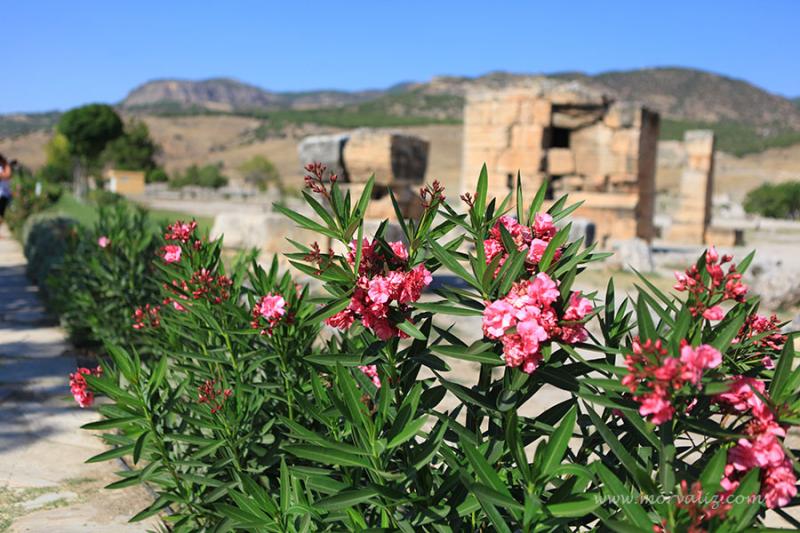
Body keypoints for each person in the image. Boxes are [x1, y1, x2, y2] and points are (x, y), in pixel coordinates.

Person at [0, 154, 15, 230]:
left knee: (1, 214)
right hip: (3, 193)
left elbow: (8, 175)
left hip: (3, 194)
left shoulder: (5, 166)